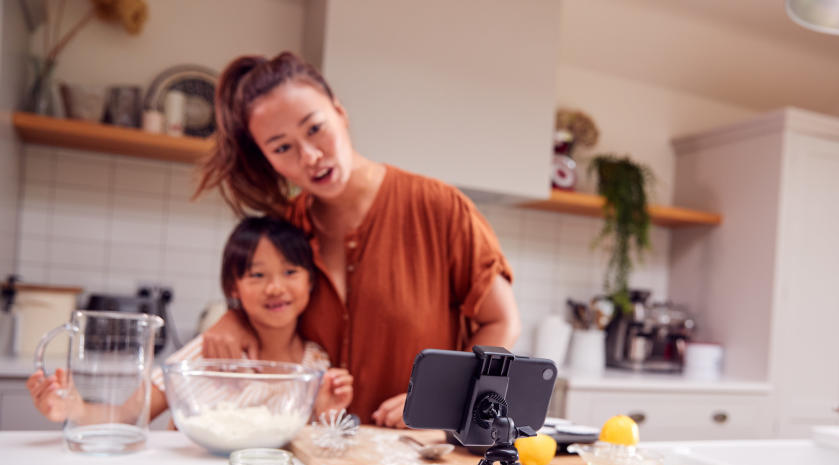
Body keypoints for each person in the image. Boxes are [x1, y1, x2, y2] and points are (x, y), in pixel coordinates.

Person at [197, 51, 521, 428]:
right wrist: (235, 318)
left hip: (418, 455)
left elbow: (503, 321)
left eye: (315, 128)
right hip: (315, 456)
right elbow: (269, 315)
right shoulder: (285, 229)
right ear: (267, 158)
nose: (311, 156)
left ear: (340, 112)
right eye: (282, 147)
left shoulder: (439, 207)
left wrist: (440, 398)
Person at [27, 216, 353, 425]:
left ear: (311, 281)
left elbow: (319, 447)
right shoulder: (204, 354)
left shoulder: (317, 364)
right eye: (257, 274)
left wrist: (328, 413)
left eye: (290, 271)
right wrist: (76, 408)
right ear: (233, 287)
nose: (275, 288)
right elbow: (129, 415)